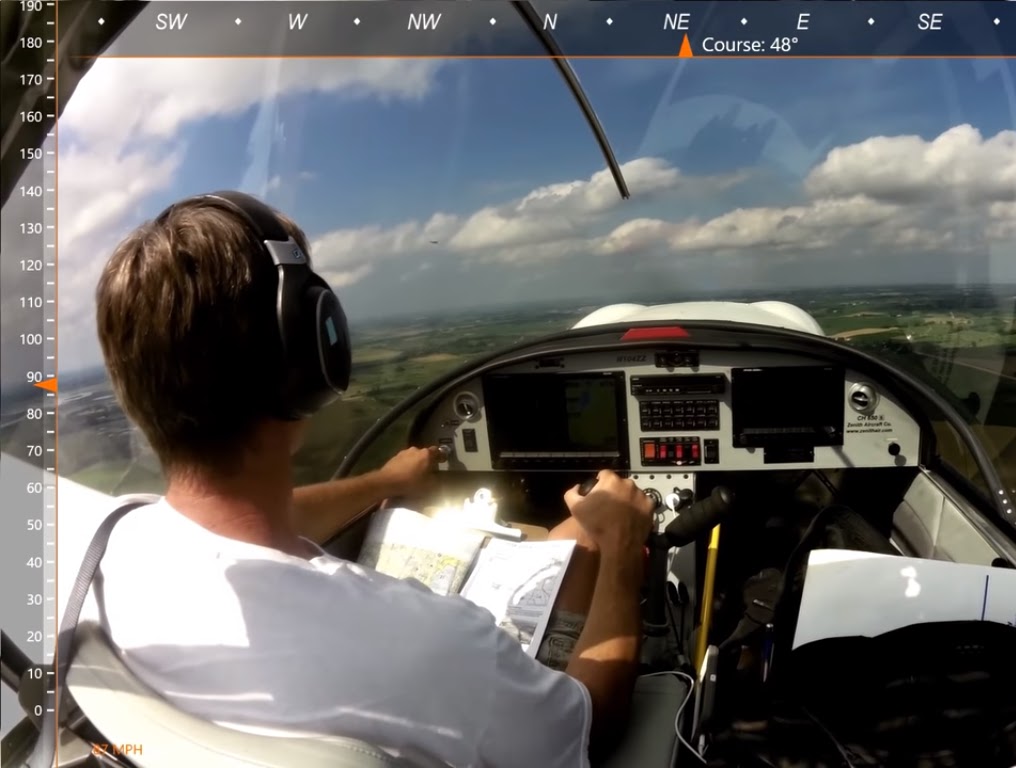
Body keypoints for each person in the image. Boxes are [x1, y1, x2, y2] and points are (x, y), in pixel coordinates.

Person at [89, 192, 655, 767]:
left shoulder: (110, 549)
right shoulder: (434, 647)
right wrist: (625, 551)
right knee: (587, 545)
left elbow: (255, 521)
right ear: (310, 352)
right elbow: (591, 727)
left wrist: (383, 481)